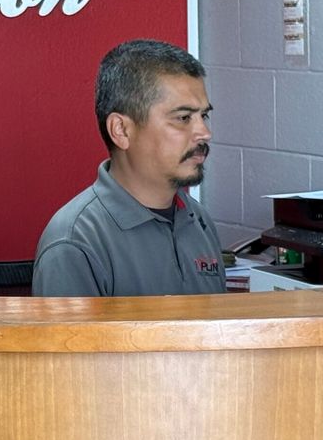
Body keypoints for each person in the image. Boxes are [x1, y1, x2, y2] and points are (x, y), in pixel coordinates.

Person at [32, 39, 227, 297]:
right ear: (121, 130)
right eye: (183, 118)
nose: (204, 133)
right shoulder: (74, 242)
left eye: (204, 116)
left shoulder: (199, 221)